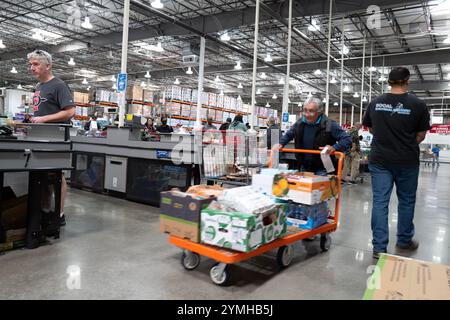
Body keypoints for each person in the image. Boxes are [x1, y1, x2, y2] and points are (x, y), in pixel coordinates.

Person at [363, 66, 431, 259]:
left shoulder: (375, 103)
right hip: (407, 160)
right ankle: (404, 240)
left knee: (380, 202)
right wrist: (405, 143)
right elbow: (421, 134)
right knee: (407, 201)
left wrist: (385, 139)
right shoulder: (418, 105)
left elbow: (369, 128)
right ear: (407, 80)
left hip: (380, 160)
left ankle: (379, 248)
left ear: (389, 81)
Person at [28, 49, 75, 226]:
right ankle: (46, 210)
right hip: (41, 137)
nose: (32, 68)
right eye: (31, 64)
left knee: (57, 175)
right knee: (44, 175)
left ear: (48, 65)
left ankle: (59, 213)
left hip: (56, 138)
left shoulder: (58, 85)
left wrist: (43, 119)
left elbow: (70, 111)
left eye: (36, 64)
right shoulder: (39, 87)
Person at [274, 97, 351, 175]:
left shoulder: (329, 124)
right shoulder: (300, 123)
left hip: (324, 168)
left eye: (311, 111)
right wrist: (280, 143)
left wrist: (334, 147)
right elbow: (289, 134)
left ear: (319, 112)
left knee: (321, 187)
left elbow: (347, 139)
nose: (306, 114)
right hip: (304, 166)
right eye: (305, 110)